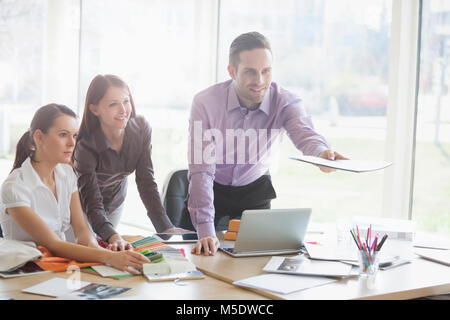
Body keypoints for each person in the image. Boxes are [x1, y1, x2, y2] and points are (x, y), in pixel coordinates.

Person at [185, 32, 347, 256]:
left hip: (254, 190)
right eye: (250, 71)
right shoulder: (205, 102)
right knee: (198, 261)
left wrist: (321, 154)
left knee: (254, 264)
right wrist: (205, 230)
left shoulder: (285, 101)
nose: (259, 81)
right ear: (232, 71)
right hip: (211, 188)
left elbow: (305, 133)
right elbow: (201, 170)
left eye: (266, 71)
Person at [0, 104, 149, 273]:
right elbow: (53, 244)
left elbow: (81, 231)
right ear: (39, 137)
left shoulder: (66, 173)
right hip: (24, 272)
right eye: (63, 135)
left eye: (75, 135)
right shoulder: (15, 187)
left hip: (60, 267)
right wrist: (108, 257)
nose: (72, 143)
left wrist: (100, 252)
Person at [73, 74, 190, 251]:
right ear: (95, 109)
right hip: (81, 206)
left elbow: (146, 182)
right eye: (113, 104)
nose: (123, 110)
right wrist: (112, 235)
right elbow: (92, 200)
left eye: (126, 101)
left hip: (114, 202)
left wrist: (165, 228)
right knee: (91, 251)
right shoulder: (85, 147)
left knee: (111, 250)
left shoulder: (141, 129)